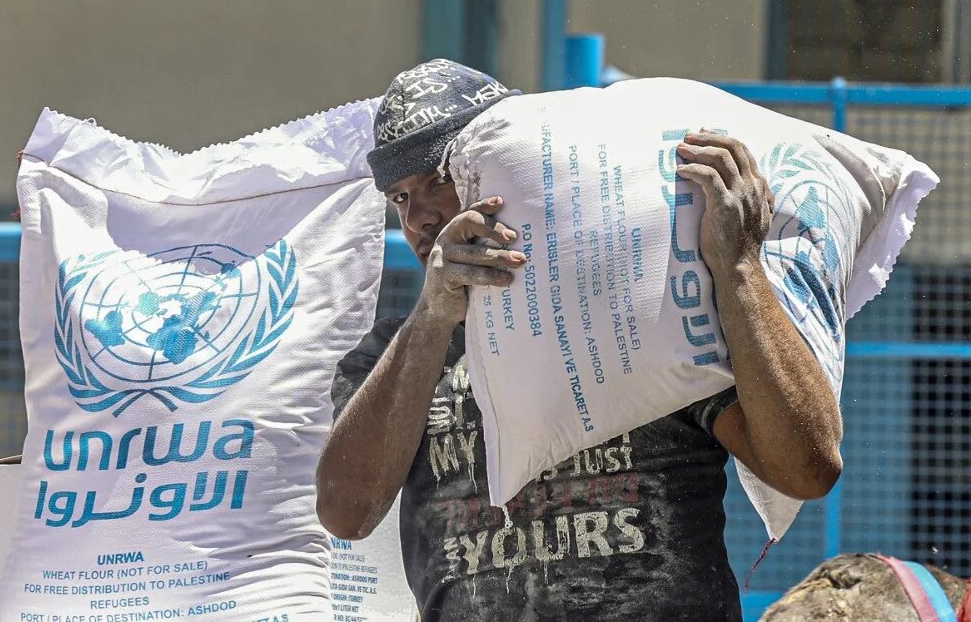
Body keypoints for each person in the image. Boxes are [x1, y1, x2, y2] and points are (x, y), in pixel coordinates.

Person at [315, 59, 843, 621]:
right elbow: (348, 513)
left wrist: (738, 268)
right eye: (399, 197)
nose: (418, 216)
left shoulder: (637, 309)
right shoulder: (396, 357)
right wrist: (431, 317)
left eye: (438, 180)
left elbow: (806, 469)